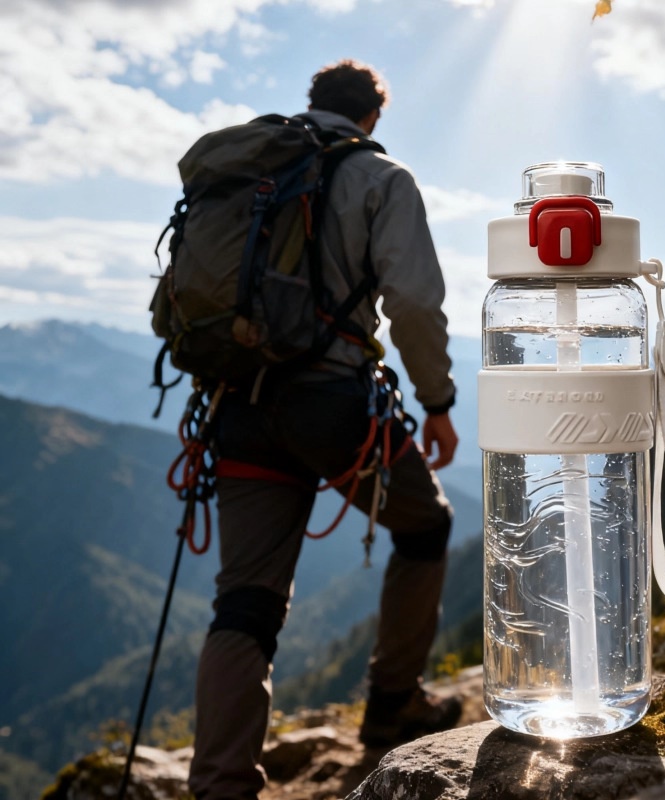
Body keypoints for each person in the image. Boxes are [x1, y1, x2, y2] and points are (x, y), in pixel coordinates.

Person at [187, 59, 461, 800]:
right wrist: (437, 401)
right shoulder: (380, 177)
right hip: (334, 408)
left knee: (246, 600)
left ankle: (218, 784)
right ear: (374, 115)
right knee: (425, 527)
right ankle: (391, 705)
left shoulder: (253, 169)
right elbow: (412, 303)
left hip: (236, 404)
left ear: (312, 104)